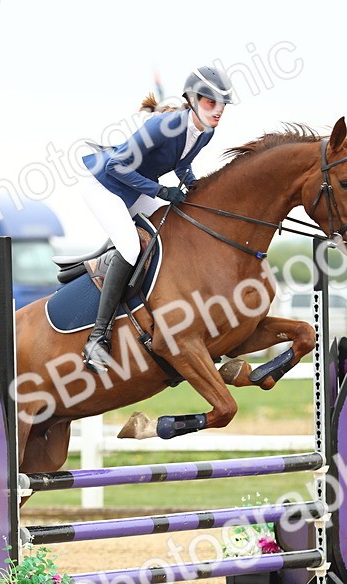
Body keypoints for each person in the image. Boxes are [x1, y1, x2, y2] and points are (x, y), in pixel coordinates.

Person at [78, 65, 237, 372]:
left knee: (177, 230)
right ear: (192, 99)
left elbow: (182, 165)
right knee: (130, 247)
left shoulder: (206, 132)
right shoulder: (162, 127)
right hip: (105, 187)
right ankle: (97, 339)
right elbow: (116, 168)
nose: (218, 110)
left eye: (222, 104)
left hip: (136, 187)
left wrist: (197, 187)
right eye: (210, 102)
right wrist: (161, 192)